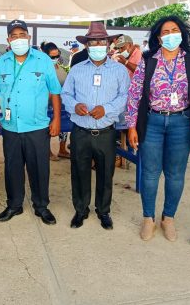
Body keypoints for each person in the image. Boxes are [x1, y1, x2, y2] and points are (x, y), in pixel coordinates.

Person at [126, 15, 190, 242]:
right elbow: (134, 94)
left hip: (181, 123)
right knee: (150, 174)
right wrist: (131, 125)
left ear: (182, 33)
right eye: (165, 31)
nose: (170, 34)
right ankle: (148, 219)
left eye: (174, 30)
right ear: (158, 37)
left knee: (175, 175)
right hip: (152, 121)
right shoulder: (148, 60)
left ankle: (168, 218)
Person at [0, 20, 61, 225]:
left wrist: (56, 118)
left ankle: (41, 206)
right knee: (12, 167)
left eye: (22, 34)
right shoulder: (1, 63)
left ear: (29, 37)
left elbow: (55, 91)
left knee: (39, 168)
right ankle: (14, 205)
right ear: (8, 40)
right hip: (11, 127)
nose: (18, 38)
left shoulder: (43, 60)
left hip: (37, 127)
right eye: (14, 35)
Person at [62, 22, 129, 230]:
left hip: (106, 132)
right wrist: (75, 105)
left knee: (105, 173)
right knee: (79, 172)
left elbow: (125, 96)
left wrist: (107, 109)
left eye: (101, 41)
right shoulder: (76, 70)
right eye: (93, 42)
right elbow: (66, 94)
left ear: (108, 44)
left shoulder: (119, 70)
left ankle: (103, 210)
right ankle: (81, 210)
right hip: (81, 131)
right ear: (87, 45)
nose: (98, 45)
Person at [41, 41, 70, 160]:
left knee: (64, 127)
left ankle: (62, 149)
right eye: (52, 56)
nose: (55, 58)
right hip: (47, 105)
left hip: (61, 103)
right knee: (47, 128)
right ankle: (47, 151)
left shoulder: (60, 67)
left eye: (57, 55)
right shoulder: (42, 69)